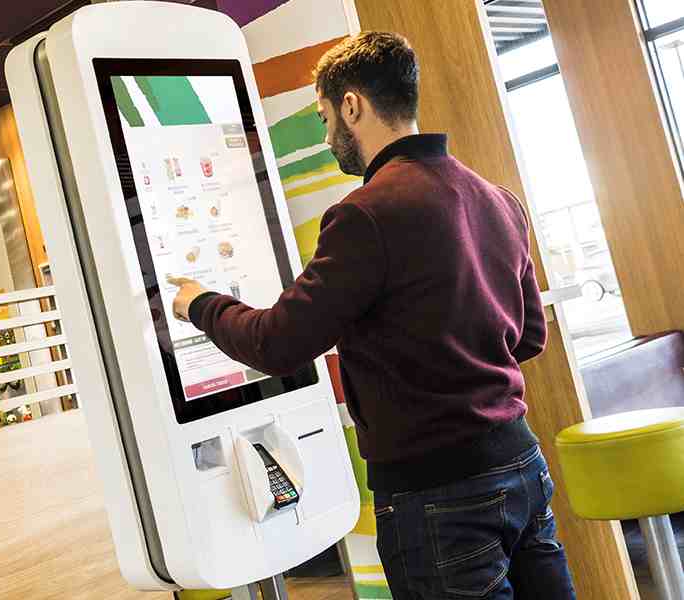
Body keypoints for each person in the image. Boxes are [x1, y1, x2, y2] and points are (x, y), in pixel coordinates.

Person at [169, 32, 576, 599]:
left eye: (324, 116)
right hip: (521, 465)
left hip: (437, 494)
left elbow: (277, 344)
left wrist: (200, 304)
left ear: (352, 105)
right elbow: (529, 335)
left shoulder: (363, 216)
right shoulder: (495, 197)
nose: (327, 133)